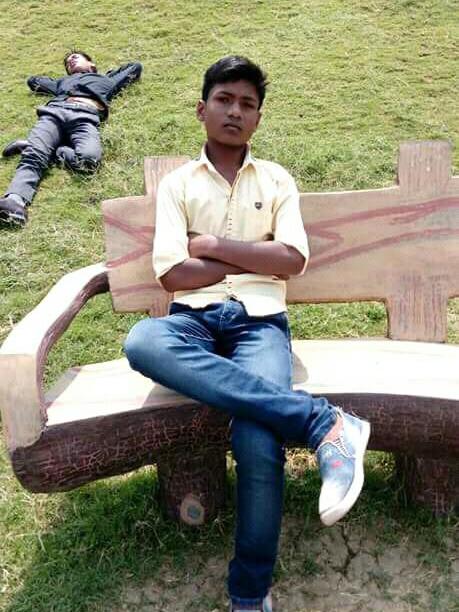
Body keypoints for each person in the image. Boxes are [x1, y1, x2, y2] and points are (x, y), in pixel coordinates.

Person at [124, 56, 370, 612]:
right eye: (224, 100)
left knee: (258, 440)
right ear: (202, 109)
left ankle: (250, 594)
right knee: (143, 341)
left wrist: (212, 247)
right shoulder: (177, 185)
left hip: (260, 323)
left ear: (258, 118)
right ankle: (323, 422)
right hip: (192, 322)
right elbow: (172, 274)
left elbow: (291, 260)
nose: (235, 111)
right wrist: (255, 256)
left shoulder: (277, 179)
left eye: (247, 104)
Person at [0, 51, 142, 227]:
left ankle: (38, 147)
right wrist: (63, 80)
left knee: (88, 161)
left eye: (75, 57)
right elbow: (33, 81)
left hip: (85, 117)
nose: (71, 61)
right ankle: (14, 201)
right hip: (54, 112)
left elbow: (135, 67)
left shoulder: (107, 81)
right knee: (34, 156)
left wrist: (106, 74)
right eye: (68, 63)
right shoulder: (62, 82)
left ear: (91, 64)